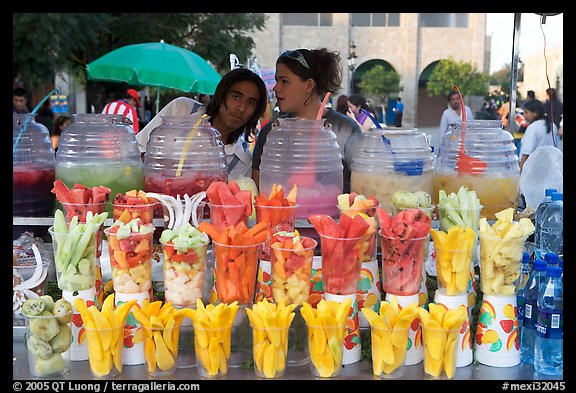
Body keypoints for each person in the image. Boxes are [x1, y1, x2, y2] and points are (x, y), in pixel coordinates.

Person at [251, 47, 362, 193]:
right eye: (277, 80)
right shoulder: (271, 132)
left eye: (285, 81)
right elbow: (258, 191)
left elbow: (363, 189)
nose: (276, 88)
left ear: (309, 85)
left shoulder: (345, 129)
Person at [137, 68, 267, 180]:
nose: (241, 108)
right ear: (222, 95)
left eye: (251, 103)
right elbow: (137, 150)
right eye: (236, 97)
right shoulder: (181, 109)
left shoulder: (242, 163)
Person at [519, 99, 559, 172]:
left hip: (533, 170)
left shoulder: (533, 127)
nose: (524, 115)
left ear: (535, 113)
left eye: (526, 113)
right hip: (549, 168)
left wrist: (521, 174)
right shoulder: (553, 125)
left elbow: (526, 154)